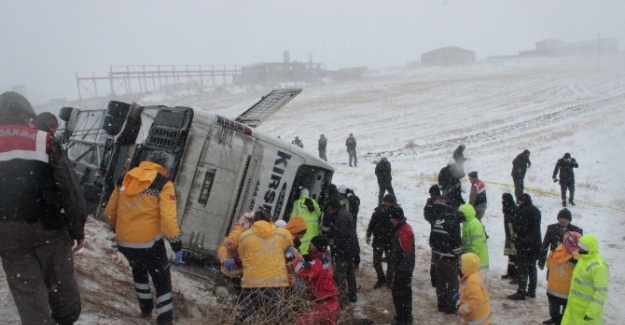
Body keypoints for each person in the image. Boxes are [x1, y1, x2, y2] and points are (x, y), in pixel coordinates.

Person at [0, 91, 87, 325]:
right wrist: (77, 227)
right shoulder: (43, 139)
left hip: (6, 232)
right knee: (60, 280)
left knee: (26, 291)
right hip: (48, 225)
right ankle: (66, 318)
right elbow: (68, 186)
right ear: (27, 114)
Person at [104, 150, 181, 324]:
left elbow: (109, 212)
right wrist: (176, 244)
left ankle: (145, 309)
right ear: (165, 166)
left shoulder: (125, 179)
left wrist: (120, 229)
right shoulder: (164, 184)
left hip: (124, 241)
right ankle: (165, 318)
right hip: (148, 243)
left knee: (138, 270)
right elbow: (168, 220)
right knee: (161, 278)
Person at [236, 209, 294, 323]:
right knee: (272, 317)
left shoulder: (244, 236)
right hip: (275, 283)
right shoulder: (283, 233)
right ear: (270, 221)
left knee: (244, 314)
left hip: (252, 282)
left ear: (253, 222)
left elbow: (242, 256)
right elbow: (289, 249)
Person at [290, 235, 339, 325]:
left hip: (324, 303)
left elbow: (302, 271)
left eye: (312, 244)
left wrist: (293, 259)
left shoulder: (317, 262)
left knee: (301, 322)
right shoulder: (323, 258)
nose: (309, 245)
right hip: (330, 301)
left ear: (318, 247)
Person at [561, 234, 609, 325]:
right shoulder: (583, 259)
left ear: (588, 248)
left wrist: (591, 313)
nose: (579, 248)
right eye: (579, 245)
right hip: (574, 307)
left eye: (582, 247)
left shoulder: (599, 266)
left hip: (586, 313)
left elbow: (601, 293)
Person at [429, 193, 463, 315]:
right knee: (453, 283)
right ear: (454, 211)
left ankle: (441, 304)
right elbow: (457, 245)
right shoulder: (453, 224)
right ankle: (450, 306)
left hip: (437, 258)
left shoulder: (436, 221)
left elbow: (431, 241)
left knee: (440, 282)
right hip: (449, 260)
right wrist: (459, 254)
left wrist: (438, 250)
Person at [323, 198, 359, 306]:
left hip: (344, 251)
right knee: (350, 274)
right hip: (351, 249)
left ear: (332, 208)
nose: (327, 212)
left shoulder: (341, 218)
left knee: (340, 275)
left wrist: (334, 245)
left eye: (328, 209)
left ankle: (342, 301)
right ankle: (352, 296)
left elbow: (342, 236)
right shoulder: (344, 214)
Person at [542, 231, 582, 325]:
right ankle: (560, 321)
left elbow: (549, 264)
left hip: (553, 288)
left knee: (554, 310)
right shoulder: (578, 257)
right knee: (565, 312)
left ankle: (556, 319)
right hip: (567, 290)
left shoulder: (556, 251)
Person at [508, 193, 542, 300]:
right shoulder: (536, 210)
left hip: (524, 243)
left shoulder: (521, 211)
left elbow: (519, 227)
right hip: (535, 243)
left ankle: (521, 292)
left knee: (523, 268)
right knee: (532, 267)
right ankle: (532, 291)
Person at [389, 206, 415, 325]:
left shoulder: (404, 232)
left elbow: (408, 254)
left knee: (401, 294)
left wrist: (402, 270)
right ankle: (403, 317)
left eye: (392, 218)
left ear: (398, 219)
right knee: (401, 293)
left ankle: (404, 318)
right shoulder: (401, 228)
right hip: (401, 268)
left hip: (403, 270)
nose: (391, 220)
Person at [218, 212, 255, 293]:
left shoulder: (245, 234)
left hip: (237, 273)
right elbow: (225, 247)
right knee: (226, 295)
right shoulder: (239, 234)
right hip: (233, 273)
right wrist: (226, 261)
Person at [366, 193, 396, 289]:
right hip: (378, 240)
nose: (387, 204)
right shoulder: (378, 211)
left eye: (389, 202)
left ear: (393, 203)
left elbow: (400, 225)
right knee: (376, 262)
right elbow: (372, 223)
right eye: (386, 201)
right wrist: (368, 234)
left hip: (390, 241)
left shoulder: (396, 212)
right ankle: (381, 278)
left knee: (391, 262)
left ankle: (389, 280)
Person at [456, 253, 492, 325]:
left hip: (476, 319)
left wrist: (461, 309)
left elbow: (476, 300)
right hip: (482, 314)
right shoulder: (476, 274)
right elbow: (476, 291)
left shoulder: (471, 281)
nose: (460, 267)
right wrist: (462, 294)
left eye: (462, 265)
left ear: (467, 266)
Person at [424, 185, 447, 287]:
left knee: (436, 256)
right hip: (440, 230)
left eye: (431, 194)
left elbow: (427, 214)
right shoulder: (444, 201)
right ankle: (436, 278)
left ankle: (436, 278)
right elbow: (426, 214)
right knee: (437, 256)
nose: (430, 196)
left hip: (438, 231)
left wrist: (435, 222)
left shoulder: (441, 202)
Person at [458, 203, 489, 271]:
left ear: (466, 213)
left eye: (461, 214)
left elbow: (477, 243)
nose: (459, 216)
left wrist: (470, 255)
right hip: (471, 257)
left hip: (477, 258)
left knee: (474, 280)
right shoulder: (466, 223)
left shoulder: (474, 224)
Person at [291, 188, 321, 254]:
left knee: (301, 251)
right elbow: (319, 214)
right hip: (313, 231)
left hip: (303, 230)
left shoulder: (297, 203)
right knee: (309, 250)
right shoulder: (314, 202)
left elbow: (292, 219)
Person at [500, 193, 519, 281]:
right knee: (510, 255)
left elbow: (516, 225)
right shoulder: (507, 209)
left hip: (514, 236)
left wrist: (514, 236)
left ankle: (516, 275)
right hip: (508, 235)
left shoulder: (514, 209)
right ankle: (510, 272)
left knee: (515, 256)